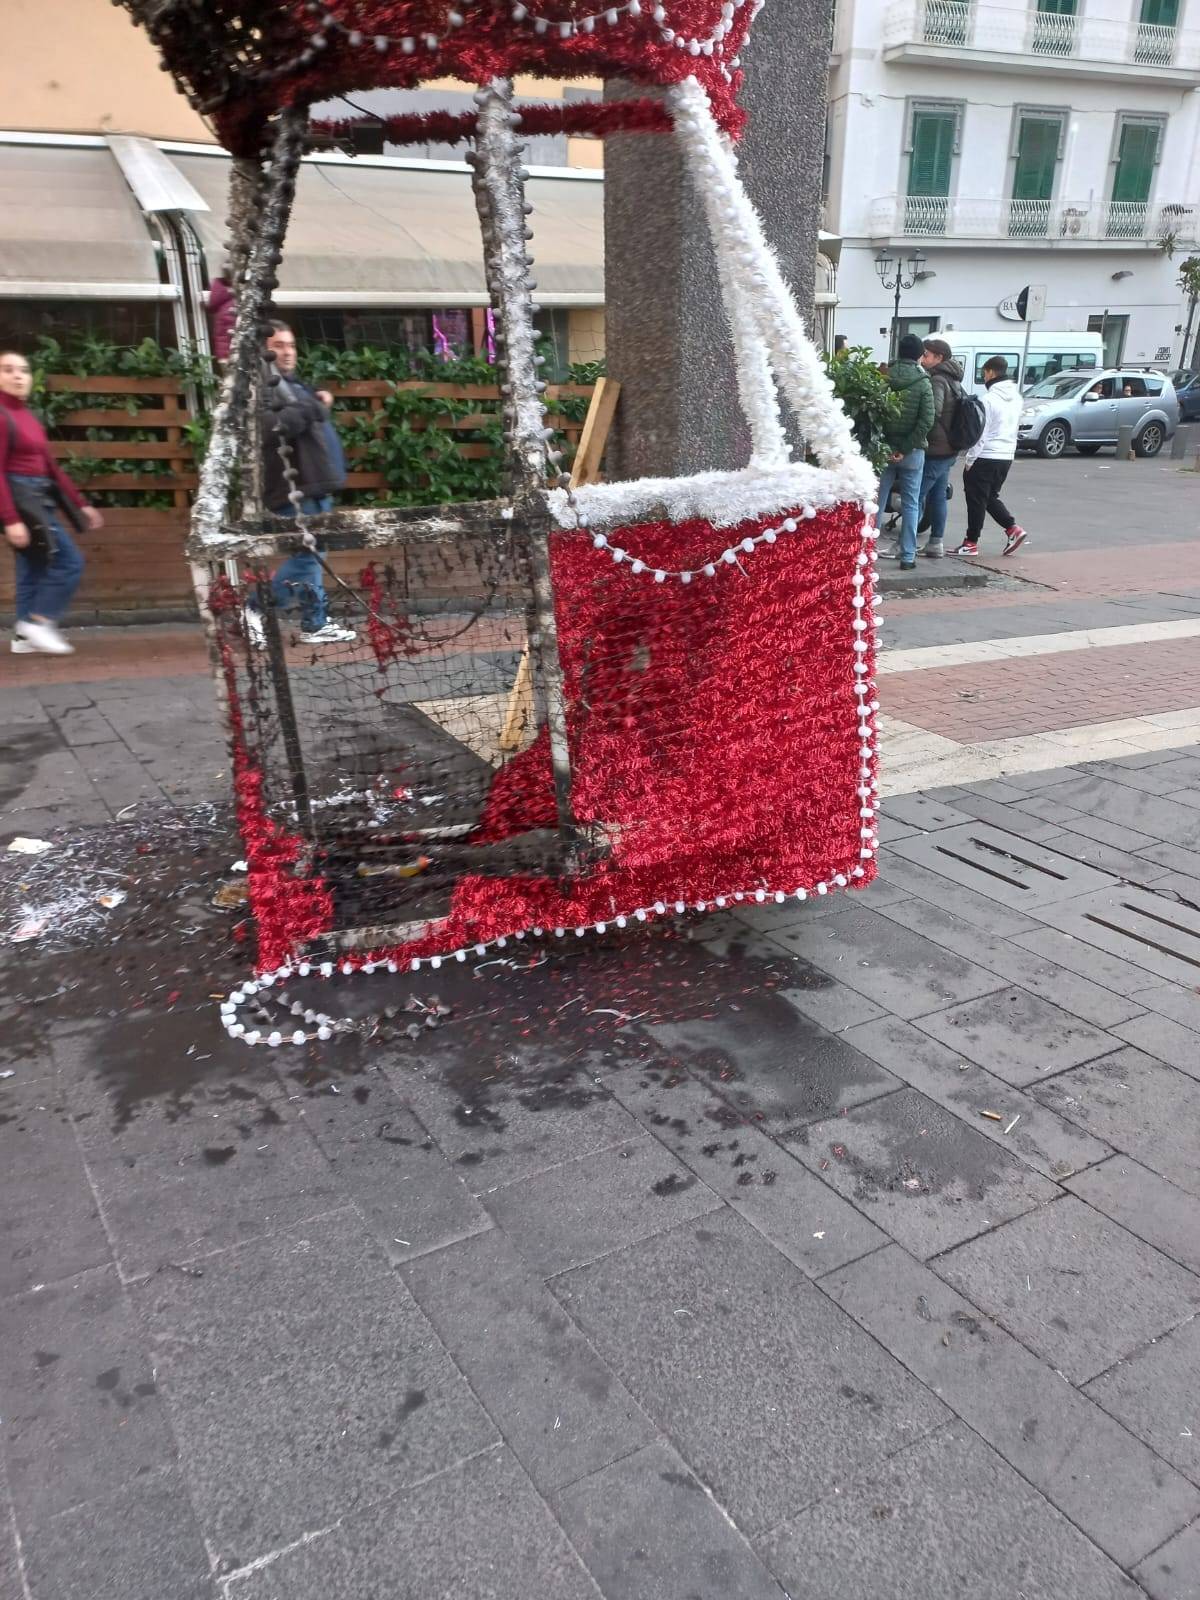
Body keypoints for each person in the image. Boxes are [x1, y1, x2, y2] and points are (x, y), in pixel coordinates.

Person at [247, 320, 355, 647]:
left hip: (312, 485)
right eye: (278, 346)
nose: (288, 352)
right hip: (294, 489)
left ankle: (315, 623)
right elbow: (272, 427)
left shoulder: (290, 384)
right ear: (263, 351)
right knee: (308, 556)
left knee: (313, 555)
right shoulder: (261, 386)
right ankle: (255, 607)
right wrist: (313, 405)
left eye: (291, 345)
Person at [1, 350, 103, 655]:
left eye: (23, 370)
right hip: (22, 502)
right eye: (8, 369)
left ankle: (24, 637)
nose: (18, 375)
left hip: (37, 498)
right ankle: (38, 622)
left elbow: (51, 468)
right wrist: (11, 519)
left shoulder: (28, 418)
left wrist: (80, 503)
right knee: (70, 562)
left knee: (32, 566)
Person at [956, 356, 1027, 557]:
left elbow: (981, 433)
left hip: (986, 454)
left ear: (990, 372)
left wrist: (970, 459)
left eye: (984, 373)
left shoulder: (987, 400)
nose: (984, 377)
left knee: (976, 500)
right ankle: (1012, 529)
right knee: (988, 496)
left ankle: (971, 542)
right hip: (1006, 455)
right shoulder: (1017, 398)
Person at [877, 333, 935, 572]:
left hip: (883, 449)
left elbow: (875, 413)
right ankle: (908, 555)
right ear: (920, 355)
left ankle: (867, 552)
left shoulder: (884, 377)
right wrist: (905, 448)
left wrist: (888, 446)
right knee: (911, 503)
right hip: (912, 453)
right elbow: (927, 420)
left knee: (877, 501)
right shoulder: (923, 383)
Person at [914, 337, 963, 560]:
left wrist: (918, 435)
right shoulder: (954, 380)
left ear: (939, 357)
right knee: (938, 496)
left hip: (936, 449)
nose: (923, 358)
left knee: (916, 496)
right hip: (949, 448)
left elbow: (932, 413)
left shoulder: (937, 380)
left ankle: (905, 544)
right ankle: (935, 543)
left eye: (926, 355)